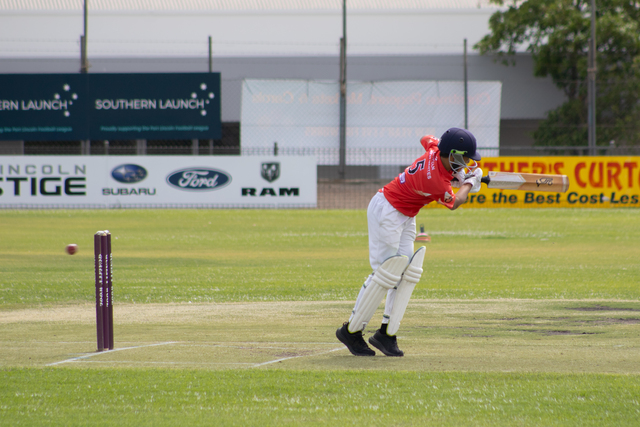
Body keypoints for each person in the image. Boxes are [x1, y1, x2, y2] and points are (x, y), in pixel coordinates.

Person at [336, 127, 483, 357]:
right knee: (384, 273)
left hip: (406, 213)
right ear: (452, 154)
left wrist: (457, 174)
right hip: (387, 210)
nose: (467, 163)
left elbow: (426, 139)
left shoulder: (436, 148)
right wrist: (469, 182)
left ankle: (386, 334)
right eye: (464, 159)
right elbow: (455, 202)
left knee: (405, 272)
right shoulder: (436, 181)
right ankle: (351, 331)